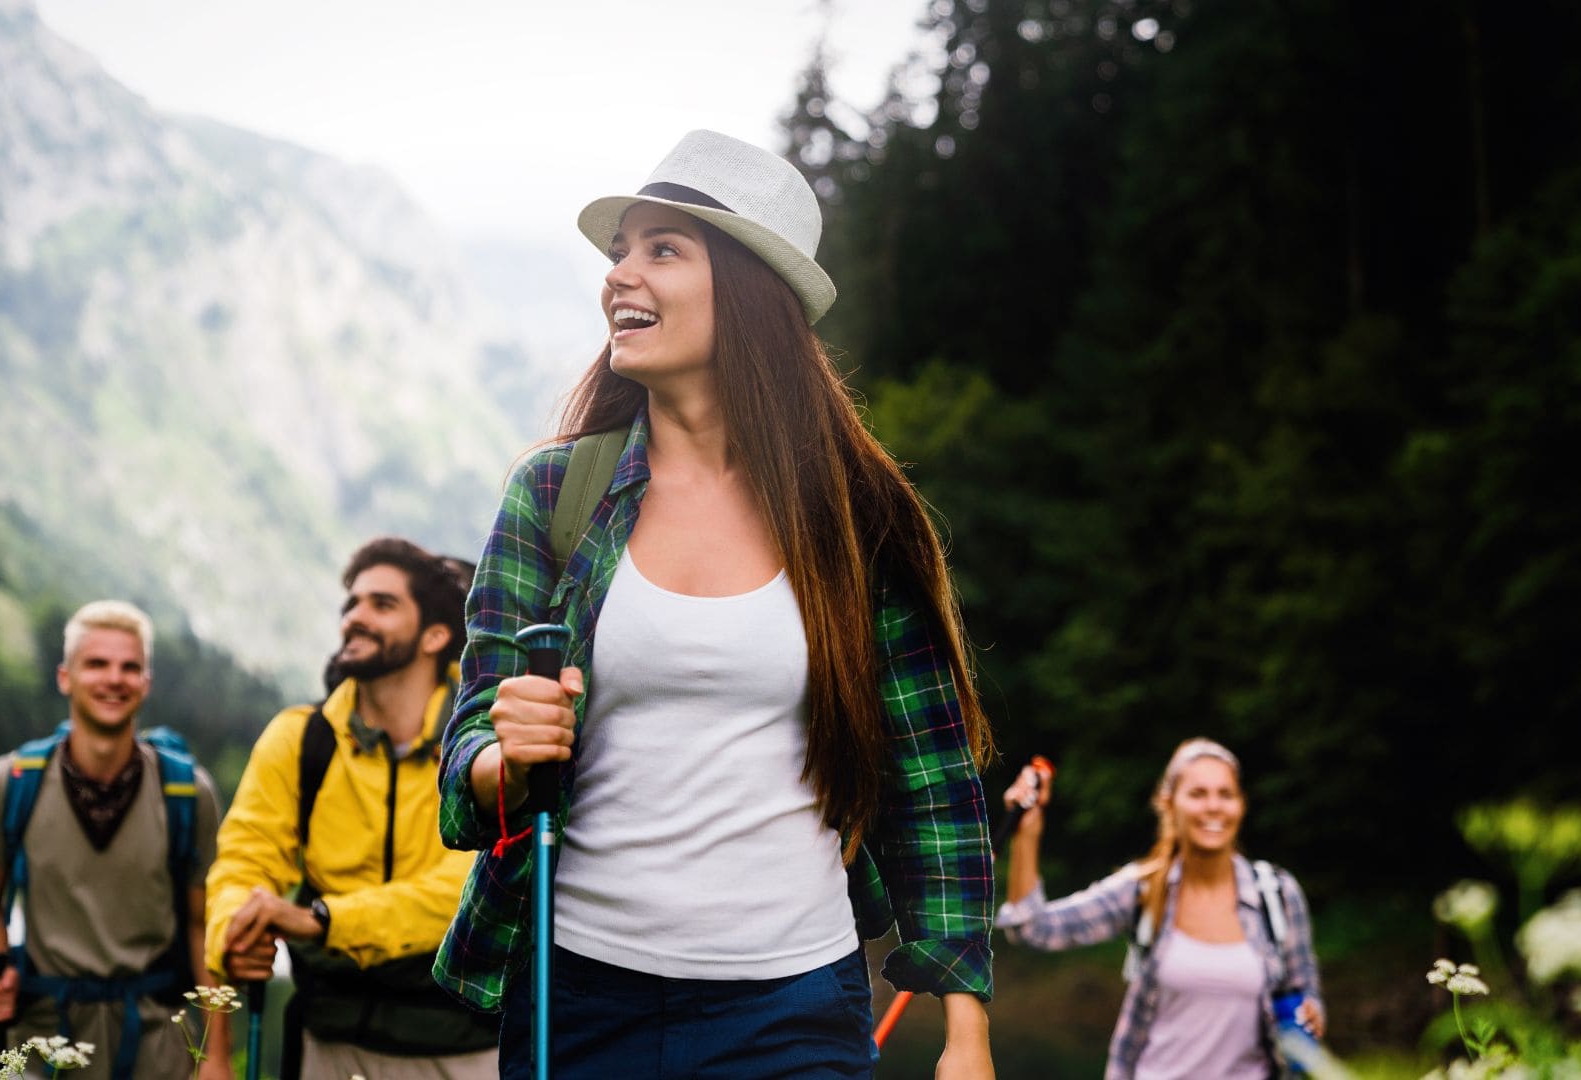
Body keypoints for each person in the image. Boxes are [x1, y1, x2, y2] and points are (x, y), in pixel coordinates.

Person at [432, 129, 998, 1079]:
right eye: (620, 252)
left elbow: (930, 782)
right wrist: (502, 756)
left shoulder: (857, 522)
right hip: (577, 994)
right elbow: (467, 763)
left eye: (662, 250)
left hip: (794, 1006)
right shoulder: (553, 497)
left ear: (746, 293)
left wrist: (967, 1031)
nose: (620, 276)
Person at [207, 538, 498, 1080]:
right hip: (328, 1040)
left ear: (436, 635)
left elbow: (464, 891)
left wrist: (320, 920)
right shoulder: (299, 739)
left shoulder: (481, 747)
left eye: (381, 605)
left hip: (462, 1047)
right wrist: (234, 928)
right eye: (352, 604)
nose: (355, 618)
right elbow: (242, 862)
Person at [0, 600, 228, 1079]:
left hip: (160, 1045)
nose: (114, 679)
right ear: (66, 677)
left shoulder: (188, 793)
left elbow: (201, 927)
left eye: (130, 667)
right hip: (44, 1040)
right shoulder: (8, 785)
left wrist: (215, 1057)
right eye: (97, 664)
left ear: (145, 684)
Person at [995, 738, 1326, 1080]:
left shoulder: (1276, 894)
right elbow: (1031, 927)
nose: (1213, 806)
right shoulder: (1141, 890)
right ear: (1169, 804)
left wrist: (1310, 1015)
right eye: (1197, 794)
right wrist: (1028, 833)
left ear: (1241, 805)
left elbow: (1307, 994)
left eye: (1225, 794)